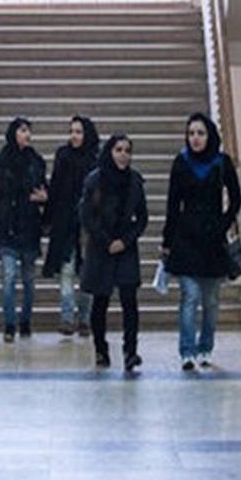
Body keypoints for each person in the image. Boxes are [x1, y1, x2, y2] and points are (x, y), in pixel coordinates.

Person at [161, 113, 241, 372]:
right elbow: (173, 204)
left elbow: (236, 198)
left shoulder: (222, 162)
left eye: (200, 133)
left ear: (209, 136)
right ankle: (187, 351)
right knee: (190, 296)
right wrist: (167, 240)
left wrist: (224, 222)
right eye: (191, 133)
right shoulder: (181, 162)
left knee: (211, 301)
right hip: (186, 238)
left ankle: (205, 347)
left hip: (213, 239)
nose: (195, 138)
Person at [79, 134, 148, 371]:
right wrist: (106, 241)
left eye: (127, 150)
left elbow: (142, 218)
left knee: (129, 300)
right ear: (110, 152)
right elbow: (86, 216)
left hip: (125, 247)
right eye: (118, 150)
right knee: (100, 301)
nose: (123, 155)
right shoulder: (95, 180)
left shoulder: (135, 181)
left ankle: (130, 351)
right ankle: (100, 349)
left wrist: (124, 241)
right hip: (101, 247)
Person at [0, 117, 48, 341]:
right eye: (23, 130)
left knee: (28, 279)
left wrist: (45, 197)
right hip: (6, 226)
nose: (28, 135)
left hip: (29, 226)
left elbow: (45, 189)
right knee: (9, 276)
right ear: (13, 133)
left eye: (29, 131)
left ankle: (25, 321)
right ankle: (10, 324)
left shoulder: (37, 161)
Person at [42, 116, 101, 336]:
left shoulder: (96, 159)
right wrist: (48, 219)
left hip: (88, 225)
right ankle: (67, 318)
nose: (74, 136)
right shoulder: (63, 156)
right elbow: (56, 187)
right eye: (72, 131)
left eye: (78, 132)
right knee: (67, 271)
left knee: (87, 273)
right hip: (65, 222)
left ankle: (84, 319)